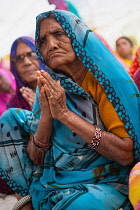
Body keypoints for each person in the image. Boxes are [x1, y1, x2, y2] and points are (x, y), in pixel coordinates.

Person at [0, 10, 140, 210]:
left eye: (59, 34)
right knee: (10, 119)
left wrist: (65, 115)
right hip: (57, 178)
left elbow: (125, 154)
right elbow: (37, 157)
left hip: (106, 177)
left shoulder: (106, 81)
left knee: (82, 204)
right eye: (42, 41)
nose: (51, 45)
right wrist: (47, 116)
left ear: (77, 35)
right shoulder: (49, 83)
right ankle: (30, 196)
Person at [6, 36, 45, 111]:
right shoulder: (13, 107)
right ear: (14, 68)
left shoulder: (62, 86)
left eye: (32, 54)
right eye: (19, 58)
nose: (27, 62)